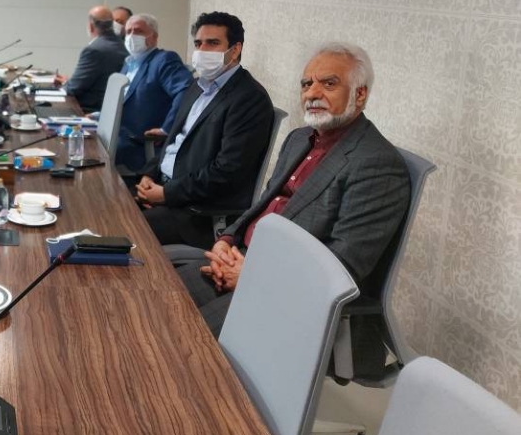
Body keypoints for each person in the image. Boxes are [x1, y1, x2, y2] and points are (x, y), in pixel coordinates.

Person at [176, 43, 411, 339]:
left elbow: (342, 267)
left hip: (288, 292)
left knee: (184, 338)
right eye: (306, 84)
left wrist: (255, 275)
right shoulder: (300, 138)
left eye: (329, 84)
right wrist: (227, 239)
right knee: (157, 295)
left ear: (360, 94)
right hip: (244, 258)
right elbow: (263, 204)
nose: (312, 93)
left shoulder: (376, 164)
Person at [134, 11, 274, 247]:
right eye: (199, 44)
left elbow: (227, 172)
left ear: (235, 50)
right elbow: (174, 142)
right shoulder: (197, 86)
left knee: (125, 227)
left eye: (213, 43)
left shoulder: (249, 98)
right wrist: (149, 175)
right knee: (107, 205)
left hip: (198, 214)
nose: (202, 50)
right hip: (166, 190)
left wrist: (167, 194)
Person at [115, 13, 192, 172]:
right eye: (128, 31)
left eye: (138, 31)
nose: (132, 36)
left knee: (90, 155)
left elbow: (186, 90)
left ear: (154, 37)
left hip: (139, 144)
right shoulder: (129, 63)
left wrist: (167, 129)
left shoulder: (164, 60)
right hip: (116, 134)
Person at [57, 5, 128, 113]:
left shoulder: (94, 50)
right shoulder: (122, 44)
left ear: (90, 26)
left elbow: (73, 89)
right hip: (108, 110)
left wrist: (59, 88)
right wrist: (69, 82)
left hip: (87, 110)